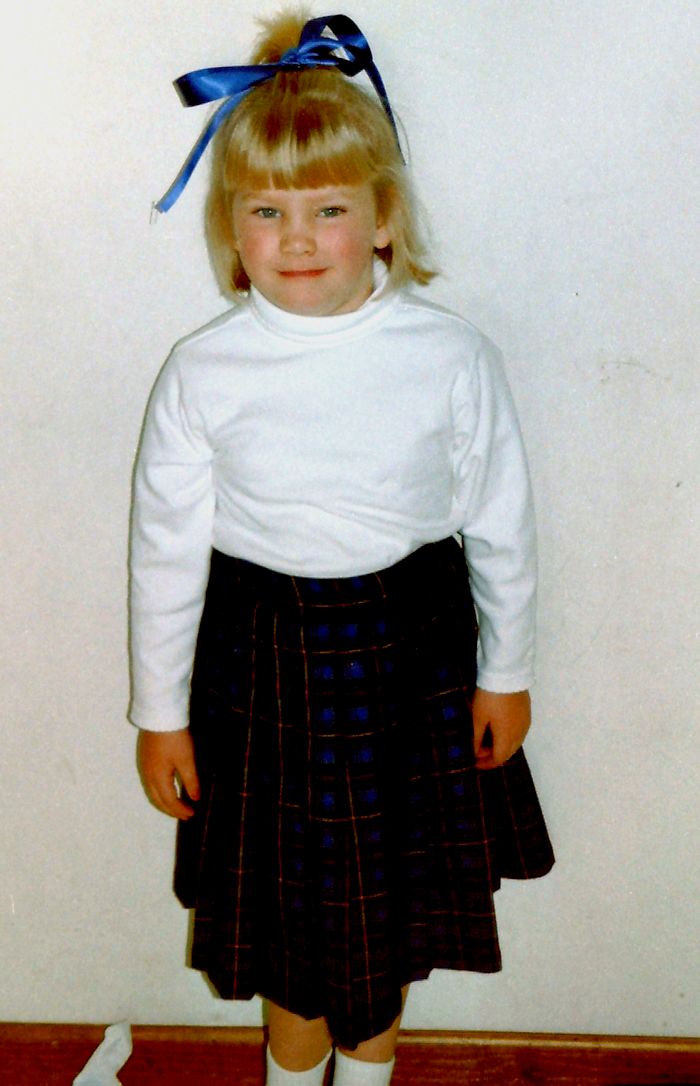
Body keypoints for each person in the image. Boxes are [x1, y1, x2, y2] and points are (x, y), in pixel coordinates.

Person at [129, 11, 554, 1086]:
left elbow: (501, 522)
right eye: (266, 211)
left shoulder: (448, 355)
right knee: (289, 912)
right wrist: (160, 713)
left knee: (386, 908)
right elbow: (164, 554)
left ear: (382, 219)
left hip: (413, 658)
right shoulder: (203, 371)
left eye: (328, 208)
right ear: (232, 229)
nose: (299, 238)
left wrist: (506, 675)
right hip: (260, 663)